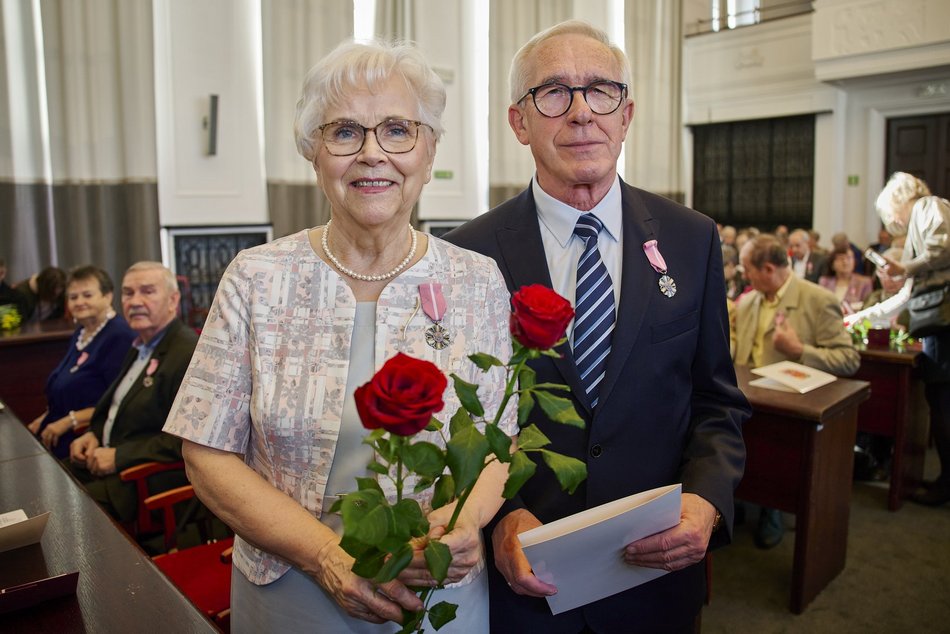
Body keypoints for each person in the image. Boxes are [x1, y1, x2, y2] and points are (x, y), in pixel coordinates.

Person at [163, 41, 516, 633]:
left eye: (398, 130)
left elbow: (498, 437)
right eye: (345, 131)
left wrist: (466, 520)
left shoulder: (476, 279)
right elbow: (205, 450)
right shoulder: (256, 278)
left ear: (428, 154)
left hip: (437, 593)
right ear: (313, 153)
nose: (372, 154)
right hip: (292, 592)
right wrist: (325, 556)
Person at [444, 20, 750, 633]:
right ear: (518, 122)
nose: (582, 111)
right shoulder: (467, 256)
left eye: (601, 90)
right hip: (524, 591)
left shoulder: (691, 239)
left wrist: (707, 499)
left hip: (655, 582)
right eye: (553, 92)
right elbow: (457, 420)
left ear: (627, 113)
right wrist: (499, 515)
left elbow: (718, 401)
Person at [734, 234, 859, 547]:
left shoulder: (817, 300)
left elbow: (848, 360)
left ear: (768, 269)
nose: (743, 275)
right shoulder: (748, 300)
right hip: (743, 401)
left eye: (747, 269)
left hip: (789, 407)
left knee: (776, 456)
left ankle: (771, 508)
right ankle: (735, 498)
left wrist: (799, 350)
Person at [845, 172, 950, 506]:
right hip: (935, 324)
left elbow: (944, 245)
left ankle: (948, 483)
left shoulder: (927, 206)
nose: (893, 223)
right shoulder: (917, 237)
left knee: (945, 404)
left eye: (890, 215)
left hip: (944, 323)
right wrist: (859, 317)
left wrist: (907, 266)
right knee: (940, 402)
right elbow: (904, 296)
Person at [67, 261, 197, 523]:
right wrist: (94, 432)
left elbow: (184, 441)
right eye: (128, 293)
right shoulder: (140, 345)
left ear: (173, 300)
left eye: (147, 292)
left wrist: (118, 456)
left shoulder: (187, 353)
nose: (135, 301)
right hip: (103, 460)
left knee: (63, 509)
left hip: (140, 480)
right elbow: (118, 404)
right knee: (46, 479)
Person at [26, 266, 135, 458]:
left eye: (87, 295)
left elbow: (118, 402)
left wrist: (69, 421)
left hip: (87, 438)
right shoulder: (82, 332)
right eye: (73, 297)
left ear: (108, 296)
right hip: (58, 430)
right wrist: (46, 417)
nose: (79, 302)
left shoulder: (119, 336)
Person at [818, 245, 873, 314]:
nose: (845, 262)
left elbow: (868, 307)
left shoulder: (864, 282)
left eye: (849, 258)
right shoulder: (824, 281)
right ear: (832, 264)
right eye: (841, 259)